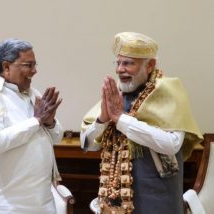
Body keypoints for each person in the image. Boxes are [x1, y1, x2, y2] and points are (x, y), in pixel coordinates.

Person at [80, 32, 203, 214]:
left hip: (158, 198)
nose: (120, 69)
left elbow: (172, 144)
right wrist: (103, 119)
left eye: (128, 63)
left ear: (150, 65)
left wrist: (121, 119)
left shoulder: (169, 90)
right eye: (118, 63)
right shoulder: (116, 94)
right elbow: (88, 144)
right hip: (116, 199)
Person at [0, 38, 63, 213]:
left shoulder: (32, 92)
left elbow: (57, 137)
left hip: (41, 201)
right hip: (6, 205)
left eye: (35, 65)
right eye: (28, 65)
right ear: (6, 67)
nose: (34, 71)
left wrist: (50, 122)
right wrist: (36, 121)